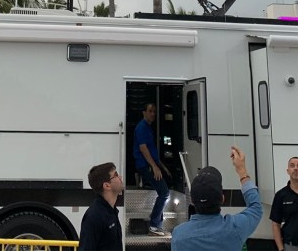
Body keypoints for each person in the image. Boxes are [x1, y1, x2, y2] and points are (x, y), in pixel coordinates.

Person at [171, 146, 263, 251]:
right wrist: (241, 170)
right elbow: (256, 208)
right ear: (222, 199)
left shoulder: (178, 235)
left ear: (192, 200)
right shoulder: (235, 228)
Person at [133, 102, 172, 235]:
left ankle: (157, 224)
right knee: (164, 193)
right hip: (145, 166)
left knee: (165, 189)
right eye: (150, 111)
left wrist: (162, 167)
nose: (153, 114)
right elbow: (143, 149)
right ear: (144, 112)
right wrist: (155, 167)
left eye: (154, 111)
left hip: (150, 164)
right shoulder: (141, 128)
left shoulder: (148, 127)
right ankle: (154, 225)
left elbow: (152, 151)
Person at [78, 162, 124, 250]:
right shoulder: (95, 216)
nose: (120, 177)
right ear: (107, 185)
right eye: (116, 175)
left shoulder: (112, 210)